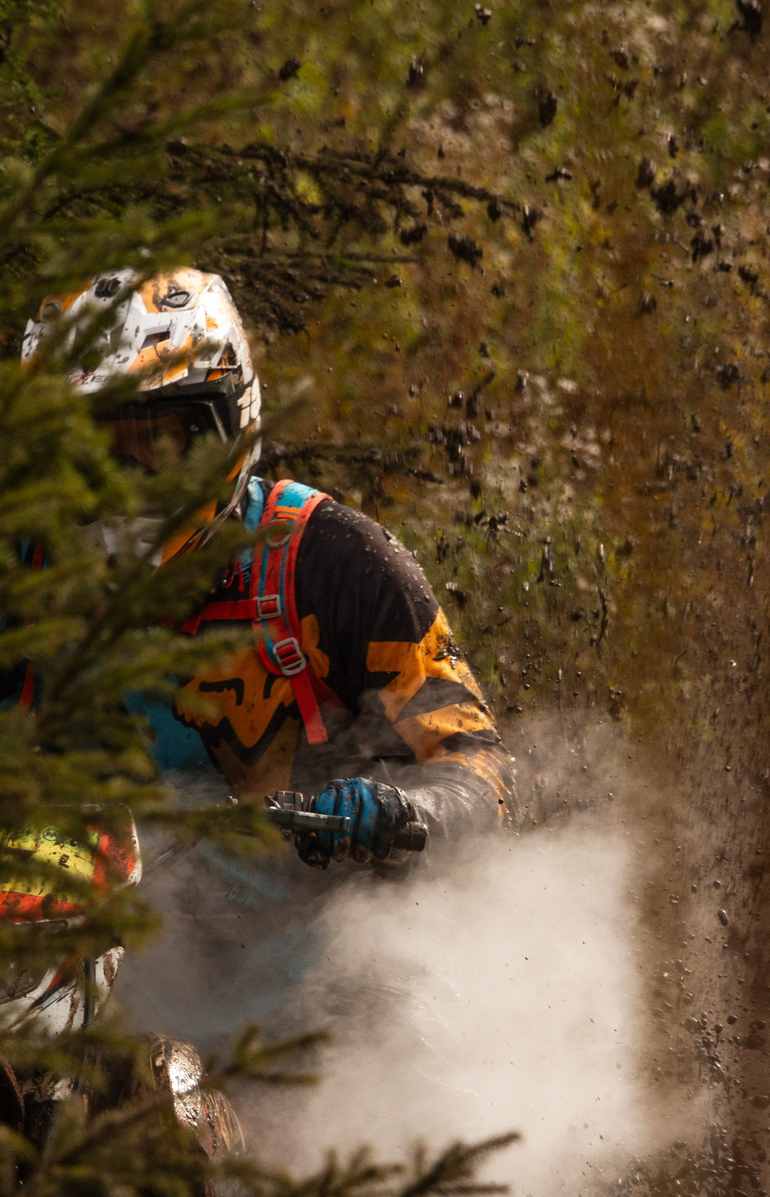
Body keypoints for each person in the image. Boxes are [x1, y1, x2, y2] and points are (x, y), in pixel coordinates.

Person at [25, 268, 511, 871]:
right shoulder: (16, 576)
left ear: (230, 419)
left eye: (161, 441)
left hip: (329, 929)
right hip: (102, 931)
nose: (128, 479)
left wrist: (401, 811)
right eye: (93, 449)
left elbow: (476, 766)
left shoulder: (335, 560)